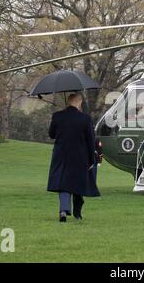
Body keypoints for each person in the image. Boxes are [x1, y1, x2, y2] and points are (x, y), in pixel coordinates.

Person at [47, 93, 100, 223]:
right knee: (77, 182)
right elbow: (90, 140)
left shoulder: (57, 116)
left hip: (61, 155)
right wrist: (92, 159)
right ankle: (77, 211)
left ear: (68, 102)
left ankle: (63, 211)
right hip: (80, 156)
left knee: (63, 184)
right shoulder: (85, 119)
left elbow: (52, 134)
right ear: (79, 103)